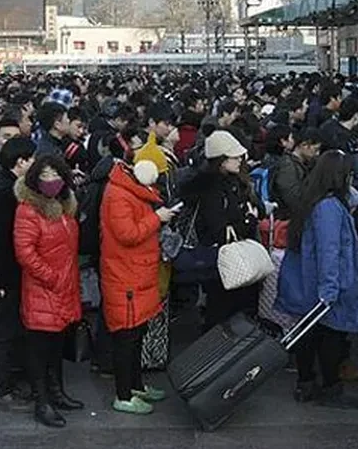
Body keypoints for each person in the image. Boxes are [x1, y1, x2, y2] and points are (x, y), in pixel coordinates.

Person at [275, 151, 358, 409]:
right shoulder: (329, 207)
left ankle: (306, 384)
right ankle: (330, 388)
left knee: (309, 335)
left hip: (308, 283)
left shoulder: (311, 201)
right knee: (330, 337)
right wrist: (330, 289)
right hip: (326, 286)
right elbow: (330, 250)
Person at [13, 154, 83, 428]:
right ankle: (42, 401)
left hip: (64, 287)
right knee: (39, 349)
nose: (51, 181)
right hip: (44, 289)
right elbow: (25, 253)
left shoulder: (65, 206)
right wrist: (51, 277)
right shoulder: (28, 210)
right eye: (45, 176)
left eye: (56, 175)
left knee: (56, 346)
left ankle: (57, 393)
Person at [100, 158, 173, 415]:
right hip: (125, 274)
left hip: (136, 273)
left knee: (136, 333)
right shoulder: (119, 194)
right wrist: (156, 218)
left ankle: (135, 385)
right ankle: (123, 395)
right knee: (126, 337)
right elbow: (127, 234)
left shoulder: (132, 189)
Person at [0, 135, 38, 412]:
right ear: (21, 162)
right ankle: (2, 389)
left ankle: (9, 381)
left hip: (11, 274)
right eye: (32, 159)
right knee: (4, 332)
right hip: (4, 276)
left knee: (12, 331)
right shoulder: (3, 194)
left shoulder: (13, 188)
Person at [182, 130, 261, 330]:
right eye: (234, 156)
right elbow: (220, 230)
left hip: (231, 258)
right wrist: (249, 220)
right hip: (223, 261)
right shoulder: (212, 190)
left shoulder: (232, 182)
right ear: (221, 160)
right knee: (222, 312)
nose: (240, 160)